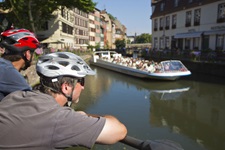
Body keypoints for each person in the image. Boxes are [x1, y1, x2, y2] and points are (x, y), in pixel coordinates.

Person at [0, 52, 127, 149]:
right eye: (81, 81)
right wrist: (84, 115)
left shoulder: (15, 96)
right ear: (66, 87)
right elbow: (119, 131)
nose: (83, 86)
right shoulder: (58, 118)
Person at [0, 28, 40, 101]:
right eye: (33, 53)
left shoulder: (3, 66)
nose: (34, 57)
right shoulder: (10, 74)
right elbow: (32, 102)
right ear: (27, 54)